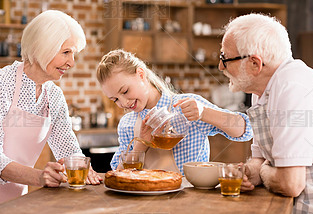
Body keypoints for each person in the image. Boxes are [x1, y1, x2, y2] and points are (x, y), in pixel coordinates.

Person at [219, 13, 313, 213]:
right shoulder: (262, 90)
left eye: (225, 58)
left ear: (255, 64)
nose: (220, 66)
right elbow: (260, 160)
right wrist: (247, 172)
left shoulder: (291, 87)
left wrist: (264, 171)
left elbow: (290, 183)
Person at [0, 10, 102, 204]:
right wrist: (39, 177)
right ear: (42, 48)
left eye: (73, 54)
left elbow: (68, 149)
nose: (72, 62)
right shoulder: (2, 84)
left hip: (14, 202)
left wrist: (86, 171)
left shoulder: (53, 96)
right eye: (66, 52)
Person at [96, 49, 253, 175]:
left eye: (125, 91)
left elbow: (246, 130)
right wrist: (140, 145)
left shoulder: (187, 106)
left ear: (141, 75)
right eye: (115, 99)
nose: (123, 103)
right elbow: (118, 175)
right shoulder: (127, 123)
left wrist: (204, 112)